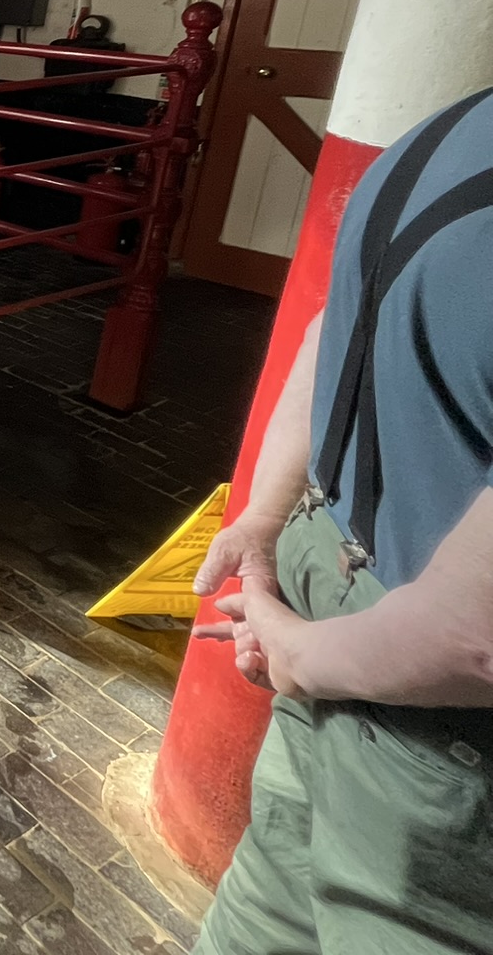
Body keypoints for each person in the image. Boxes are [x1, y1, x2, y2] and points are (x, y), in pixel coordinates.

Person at [188, 84, 493, 954]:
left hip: (389, 655)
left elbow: (477, 635)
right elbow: (342, 324)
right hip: (399, 672)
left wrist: (274, 541)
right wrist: (266, 532)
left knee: (267, 915)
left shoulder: (447, 124)